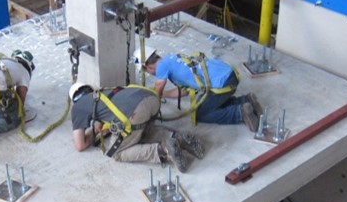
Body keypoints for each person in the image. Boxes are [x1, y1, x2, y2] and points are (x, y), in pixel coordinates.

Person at [69, 83, 205, 172]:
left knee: (115, 152)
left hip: (134, 113)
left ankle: (164, 150)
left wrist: (92, 133)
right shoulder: (101, 94)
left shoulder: (77, 108)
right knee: (139, 132)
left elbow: (80, 145)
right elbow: (103, 124)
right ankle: (178, 138)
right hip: (151, 99)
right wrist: (101, 129)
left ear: (74, 99)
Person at [137, 47, 263, 131]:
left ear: (147, 66)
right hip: (229, 76)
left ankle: (240, 113)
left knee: (201, 114)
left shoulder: (161, 67)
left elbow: (157, 90)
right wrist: (164, 94)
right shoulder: (172, 59)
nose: (150, 74)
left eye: (146, 71)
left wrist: (147, 106)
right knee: (208, 104)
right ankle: (245, 100)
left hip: (221, 84)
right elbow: (184, 91)